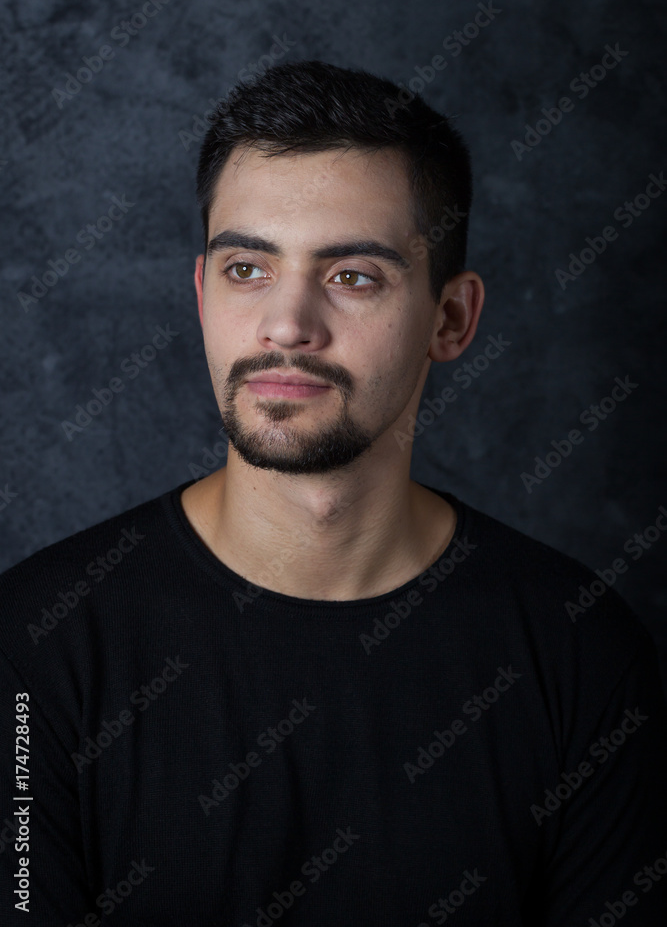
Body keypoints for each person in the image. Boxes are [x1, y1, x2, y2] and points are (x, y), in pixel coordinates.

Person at [1, 59, 665, 926]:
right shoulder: (38, 648)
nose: (286, 324)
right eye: (247, 269)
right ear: (201, 293)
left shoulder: (579, 655)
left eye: (352, 275)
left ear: (450, 319)